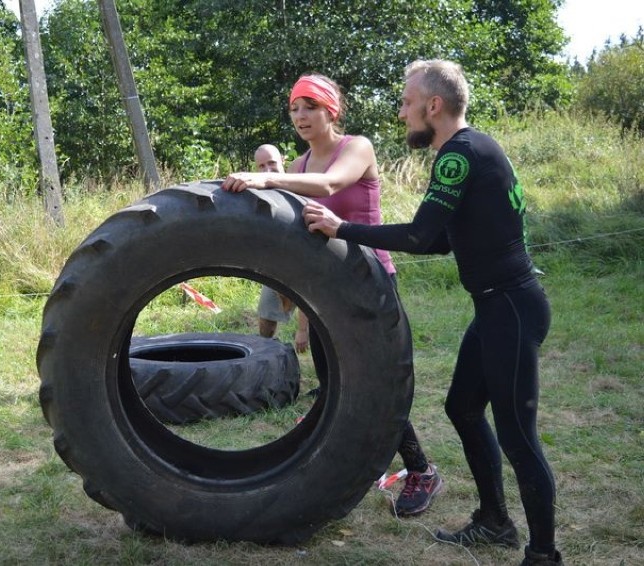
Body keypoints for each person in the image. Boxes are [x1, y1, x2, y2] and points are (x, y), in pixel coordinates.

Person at [303, 60, 561, 566]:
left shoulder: (456, 156)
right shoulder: (474, 147)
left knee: (518, 436)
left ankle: (544, 553)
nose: (402, 113)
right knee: (462, 408)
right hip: (498, 305)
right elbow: (444, 239)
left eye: (406, 102)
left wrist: (341, 229)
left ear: (433, 105)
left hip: (510, 306)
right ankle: (494, 522)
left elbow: (420, 236)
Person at [224, 73, 443, 518]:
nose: (301, 117)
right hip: (325, 289)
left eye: (311, 107)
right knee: (335, 380)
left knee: (376, 382)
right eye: (294, 109)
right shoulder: (301, 163)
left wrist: (263, 178)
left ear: (331, 111)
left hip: (371, 281)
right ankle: (343, 461)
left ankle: (421, 471)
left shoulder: (355, 148)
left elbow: (329, 186)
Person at [252, 144, 300, 341]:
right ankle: (266, 353)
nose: (267, 169)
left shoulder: (299, 185)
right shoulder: (258, 193)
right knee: (267, 315)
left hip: (306, 258)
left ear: (283, 161)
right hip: (276, 261)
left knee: (317, 316)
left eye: (271, 163)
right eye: (261, 166)